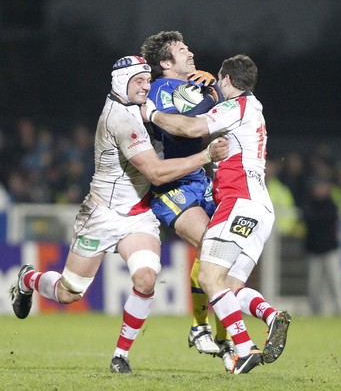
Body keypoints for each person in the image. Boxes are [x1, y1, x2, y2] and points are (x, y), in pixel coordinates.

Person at [10, 55, 228, 374]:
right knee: (69, 293)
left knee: (146, 277)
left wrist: (195, 95)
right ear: (120, 84)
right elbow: (155, 172)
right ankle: (28, 279)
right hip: (102, 214)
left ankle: (120, 355)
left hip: (137, 215)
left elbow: (172, 117)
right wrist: (206, 154)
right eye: (137, 81)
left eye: (146, 80)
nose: (145, 86)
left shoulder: (137, 105)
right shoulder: (121, 118)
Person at [141, 53, 291, 374]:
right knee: (229, 285)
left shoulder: (233, 107)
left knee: (209, 277)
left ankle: (245, 346)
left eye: (219, 81)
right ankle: (269, 315)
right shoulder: (253, 108)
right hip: (260, 209)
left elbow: (191, 127)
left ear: (226, 80)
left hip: (237, 202)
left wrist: (152, 113)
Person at [140, 30, 234, 370]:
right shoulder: (158, 90)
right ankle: (200, 327)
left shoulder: (195, 84)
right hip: (173, 181)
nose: (190, 53)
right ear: (166, 63)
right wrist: (213, 94)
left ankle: (222, 338)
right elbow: (181, 125)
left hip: (202, 178)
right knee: (212, 245)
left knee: (225, 252)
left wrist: (213, 93)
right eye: (182, 50)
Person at [302, 175, 341, 315]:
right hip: (314, 249)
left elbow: (331, 218)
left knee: (336, 282)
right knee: (314, 285)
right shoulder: (309, 203)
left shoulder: (330, 203)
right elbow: (310, 219)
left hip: (330, 249)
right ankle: (315, 310)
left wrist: (319, 219)